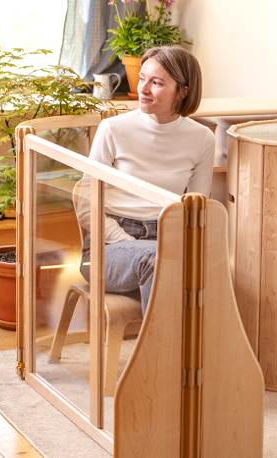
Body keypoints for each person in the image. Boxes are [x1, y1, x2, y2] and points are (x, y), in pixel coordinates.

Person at [77, 46, 215, 314]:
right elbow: (86, 207)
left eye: (156, 83)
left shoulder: (202, 139)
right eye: (142, 78)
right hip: (108, 247)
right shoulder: (113, 129)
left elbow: (196, 211)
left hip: (167, 236)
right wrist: (131, 245)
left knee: (213, 272)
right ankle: (164, 342)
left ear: (183, 91)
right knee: (157, 261)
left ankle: (181, 341)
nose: (143, 88)